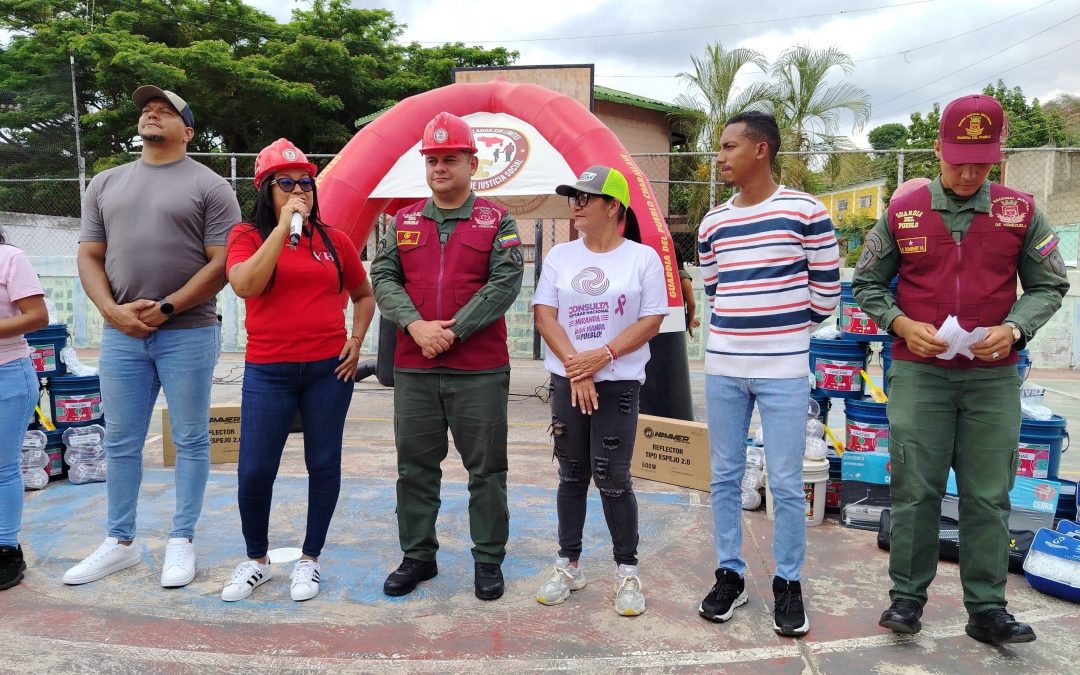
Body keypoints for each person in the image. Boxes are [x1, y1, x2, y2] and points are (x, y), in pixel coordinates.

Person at [853, 94, 1068, 645]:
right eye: (958, 161)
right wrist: (900, 323)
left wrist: (1016, 328)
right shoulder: (903, 211)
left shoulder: (1020, 211)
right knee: (915, 489)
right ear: (937, 151)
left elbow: (1049, 285)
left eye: (982, 161)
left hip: (993, 376)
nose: (970, 172)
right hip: (919, 372)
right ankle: (906, 599)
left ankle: (987, 609)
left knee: (989, 494)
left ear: (998, 156)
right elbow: (867, 283)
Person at [65, 85, 241, 587]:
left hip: (187, 331)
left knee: (189, 438)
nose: (152, 113)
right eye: (147, 108)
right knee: (120, 440)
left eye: (165, 111)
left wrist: (167, 307)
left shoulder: (210, 187)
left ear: (187, 131)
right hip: (121, 334)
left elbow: (222, 262)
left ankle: (181, 540)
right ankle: (118, 541)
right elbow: (89, 254)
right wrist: (111, 312)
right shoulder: (105, 183)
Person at [696, 111, 840, 636]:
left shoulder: (806, 212)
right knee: (724, 476)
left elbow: (826, 295)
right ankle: (729, 575)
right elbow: (715, 291)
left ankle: (788, 584)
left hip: (783, 369)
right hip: (724, 369)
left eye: (730, 146)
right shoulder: (713, 223)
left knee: (784, 479)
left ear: (761, 150)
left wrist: (779, 331)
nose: (720, 157)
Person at [370, 111, 524, 600]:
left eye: (450, 159)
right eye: (432, 159)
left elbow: (505, 283)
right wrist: (415, 326)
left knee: (487, 471)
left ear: (472, 163)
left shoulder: (498, 219)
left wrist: (451, 332)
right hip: (415, 370)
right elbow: (384, 278)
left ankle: (487, 561)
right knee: (414, 468)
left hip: (478, 371)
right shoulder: (404, 220)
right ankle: (418, 556)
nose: (440, 167)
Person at [219, 139, 375, 602]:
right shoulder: (246, 235)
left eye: (304, 183)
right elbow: (245, 284)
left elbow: (364, 296)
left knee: (323, 463)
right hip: (269, 371)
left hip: (329, 371)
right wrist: (283, 227)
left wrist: (355, 339)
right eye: (284, 183)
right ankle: (257, 560)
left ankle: (310, 560)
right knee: (255, 469)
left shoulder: (335, 240)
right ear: (265, 190)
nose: (297, 190)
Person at [531, 166, 667, 616]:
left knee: (612, 477)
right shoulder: (560, 257)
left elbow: (651, 319)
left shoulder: (641, 258)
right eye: (573, 197)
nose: (577, 204)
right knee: (571, 475)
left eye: (587, 197)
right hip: (569, 379)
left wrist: (603, 356)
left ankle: (627, 571)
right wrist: (578, 366)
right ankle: (568, 563)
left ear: (614, 207)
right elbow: (545, 315)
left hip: (619, 383)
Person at [0, 228, 48, 590]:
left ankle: (6, 549)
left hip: (7, 375)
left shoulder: (10, 258)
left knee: (2, 467)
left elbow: (36, 316)